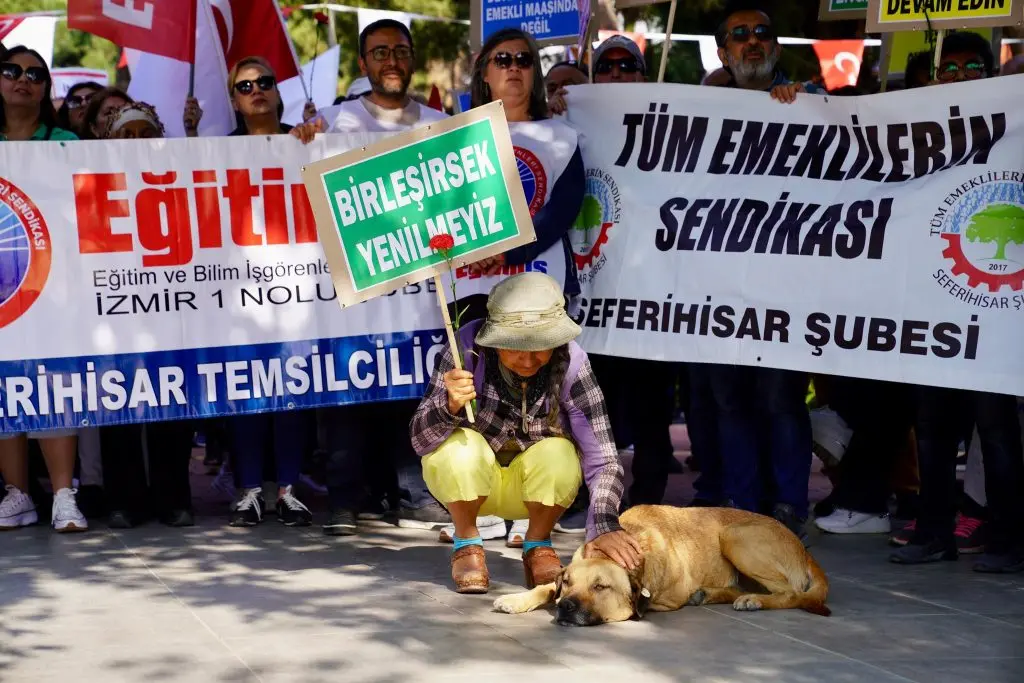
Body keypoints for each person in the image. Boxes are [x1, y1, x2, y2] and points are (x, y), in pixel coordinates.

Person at [292, 20, 453, 537]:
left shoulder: (439, 121)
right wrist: (300, 141)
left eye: (400, 51)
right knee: (348, 390)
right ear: (362, 64)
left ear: (411, 61)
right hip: (352, 288)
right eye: (379, 52)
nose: (390, 60)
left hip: (420, 290)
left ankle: (410, 492)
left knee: (415, 387)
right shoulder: (334, 122)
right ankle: (345, 500)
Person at [411, 272, 640, 594]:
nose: (529, 359)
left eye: (540, 347)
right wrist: (447, 406)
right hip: (471, 484)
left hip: (534, 490)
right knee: (460, 447)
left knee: (559, 452)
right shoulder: (464, 348)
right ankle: (466, 543)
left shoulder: (572, 361)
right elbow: (420, 440)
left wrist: (604, 524)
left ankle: (538, 544)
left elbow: (603, 459)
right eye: (516, 347)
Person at [889, 31, 1024, 573]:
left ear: (992, 74)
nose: (962, 75)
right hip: (932, 304)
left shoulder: (1013, 125)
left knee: (994, 429)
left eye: (975, 65)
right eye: (952, 66)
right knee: (934, 426)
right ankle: (935, 530)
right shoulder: (913, 128)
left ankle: (1010, 538)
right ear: (936, 75)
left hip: (991, 305)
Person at [693, 4, 818, 540]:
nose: (751, 43)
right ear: (722, 52)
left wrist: (808, 111)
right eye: (738, 36)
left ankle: (789, 504)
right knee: (728, 399)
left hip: (784, 287)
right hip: (717, 286)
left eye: (761, 34)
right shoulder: (697, 110)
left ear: (777, 47)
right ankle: (744, 505)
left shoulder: (809, 106)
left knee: (780, 398)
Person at [548, 34, 683, 509]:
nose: (617, 75)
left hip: (651, 299)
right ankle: (592, 498)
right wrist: (557, 110)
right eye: (607, 67)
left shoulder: (674, 122)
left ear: (645, 76)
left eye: (628, 66)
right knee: (589, 406)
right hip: (595, 295)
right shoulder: (574, 123)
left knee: (651, 413)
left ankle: (647, 504)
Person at [89, 102, 196, 528]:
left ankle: (174, 498)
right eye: (126, 135)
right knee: (118, 402)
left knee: (171, 402)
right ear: (111, 141)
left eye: (144, 133)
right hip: (113, 311)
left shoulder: (177, 182)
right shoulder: (92, 184)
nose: (136, 142)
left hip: (169, 307)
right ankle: (125, 500)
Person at [0, 47, 84, 532]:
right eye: (11, 70)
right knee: (5, 387)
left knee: (53, 388)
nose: (22, 80)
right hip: (2, 293)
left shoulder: (66, 140)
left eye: (34, 74)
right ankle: (18, 496)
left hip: (51, 285)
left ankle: (64, 496)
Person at [713, 2, 825, 102]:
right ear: (723, 57)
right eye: (741, 33)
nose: (753, 41)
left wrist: (807, 104)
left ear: (777, 51)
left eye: (763, 32)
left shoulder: (810, 94)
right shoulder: (713, 102)